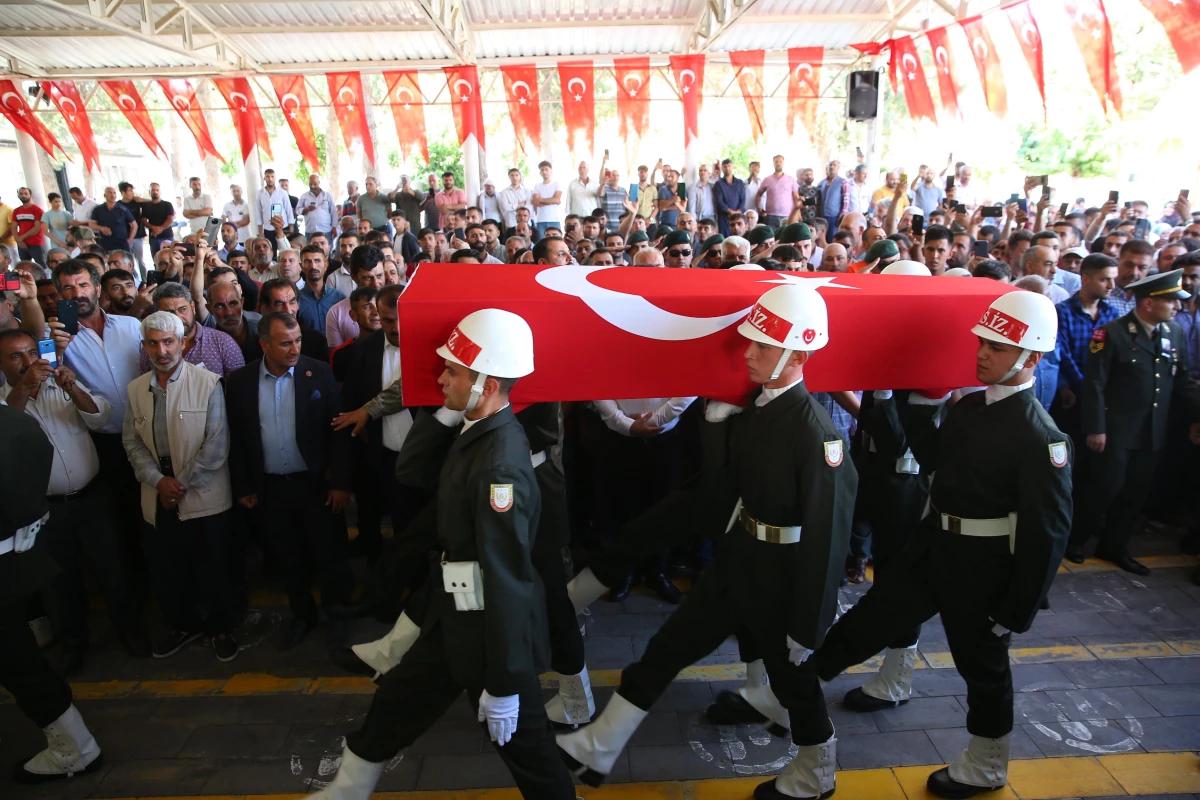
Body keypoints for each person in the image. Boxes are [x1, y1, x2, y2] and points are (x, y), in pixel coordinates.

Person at [559, 284, 854, 800]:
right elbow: (722, 493)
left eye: (763, 346)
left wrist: (811, 622)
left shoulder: (816, 433)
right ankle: (600, 744)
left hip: (782, 577)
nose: (750, 354)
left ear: (799, 353)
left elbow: (828, 539)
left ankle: (817, 771)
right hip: (740, 560)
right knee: (668, 646)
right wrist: (717, 425)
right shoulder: (759, 412)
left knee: (795, 682)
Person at [807, 289, 1069, 799]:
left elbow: (1048, 532)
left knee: (983, 666)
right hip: (937, 548)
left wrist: (1018, 607)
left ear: (1031, 357)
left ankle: (988, 764)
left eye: (998, 346)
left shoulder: (1042, 437)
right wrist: (883, 394)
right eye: (983, 341)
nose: (983, 353)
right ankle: (800, 687)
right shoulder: (971, 408)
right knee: (873, 617)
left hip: (984, 568)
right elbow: (931, 455)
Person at [310, 308, 577, 800]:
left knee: (528, 747)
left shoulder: (500, 464)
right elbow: (411, 470)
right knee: (397, 699)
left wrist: (501, 681)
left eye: (453, 371)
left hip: (483, 631)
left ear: (488, 384)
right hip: (452, 611)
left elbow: (508, 579)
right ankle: (350, 788)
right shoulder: (474, 431)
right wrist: (449, 409)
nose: (440, 378)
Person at [0, 329, 147, 675]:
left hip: (91, 498)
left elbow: (102, 416)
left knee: (112, 568)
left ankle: (129, 630)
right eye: (16, 356)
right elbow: (6, 435)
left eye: (31, 352)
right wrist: (22, 390)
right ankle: (73, 643)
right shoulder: (4, 402)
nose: (28, 361)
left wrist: (74, 388)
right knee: (59, 583)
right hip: (46, 509)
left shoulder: (60, 386)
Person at [226, 313, 353, 651]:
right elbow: (237, 440)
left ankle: (337, 614)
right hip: (271, 489)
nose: (295, 348)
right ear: (263, 344)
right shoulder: (239, 382)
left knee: (330, 555)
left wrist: (340, 482)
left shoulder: (318, 372)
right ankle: (303, 615)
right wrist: (244, 487)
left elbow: (338, 432)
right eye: (285, 343)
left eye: (297, 340)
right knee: (289, 558)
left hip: (316, 486)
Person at [122, 311, 237, 661]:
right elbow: (132, 442)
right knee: (169, 567)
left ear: (183, 343)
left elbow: (216, 446)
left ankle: (221, 628)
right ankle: (183, 625)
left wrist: (180, 485)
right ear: (145, 347)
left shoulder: (208, 382)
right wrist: (159, 482)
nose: (162, 350)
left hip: (200, 493)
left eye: (168, 341)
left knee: (213, 566)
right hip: (159, 494)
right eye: (154, 343)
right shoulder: (136, 389)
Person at [1071, 269, 1200, 574]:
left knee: (1135, 493)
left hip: (1152, 431)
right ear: (1149, 303)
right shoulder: (1111, 333)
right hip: (1115, 431)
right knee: (1104, 488)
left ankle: (1115, 546)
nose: (1178, 307)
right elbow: (1095, 384)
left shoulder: (1173, 333)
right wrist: (1096, 427)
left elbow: (1181, 380)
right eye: (1172, 301)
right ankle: (1074, 539)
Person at [2, 403, 105, 783]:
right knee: (19, 656)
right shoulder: (17, 421)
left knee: (18, 660)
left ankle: (73, 748)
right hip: (17, 555)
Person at [138, 281, 244, 378]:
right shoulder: (151, 349)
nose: (178, 317)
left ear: (192, 307)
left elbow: (236, 388)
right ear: (158, 313)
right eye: (169, 313)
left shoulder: (222, 342)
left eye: (182, 309)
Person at [298, 244, 346, 332]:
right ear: (301, 267)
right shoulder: (296, 300)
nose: (313, 266)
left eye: (317, 261)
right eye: (308, 261)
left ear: (326, 265)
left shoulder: (339, 298)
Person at [88, 187, 137, 254]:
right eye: (110, 192)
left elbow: (134, 225)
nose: (112, 195)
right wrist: (102, 228)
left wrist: (129, 240)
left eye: (114, 193)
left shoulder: (123, 209)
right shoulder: (98, 209)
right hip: (105, 244)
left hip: (122, 244)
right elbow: (91, 224)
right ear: (105, 195)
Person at [257, 169, 296, 238]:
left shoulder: (282, 193)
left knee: (284, 247)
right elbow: (259, 212)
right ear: (264, 178)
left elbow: (288, 210)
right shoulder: (260, 194)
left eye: (272, 176)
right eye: (268, 177)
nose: (270, 179)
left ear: (275, 178)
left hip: (283, 227)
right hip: (268, 228)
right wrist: (260, 232)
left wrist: (291, 228)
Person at [14, 187, 47, 265]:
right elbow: (13, 226)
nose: (23, 196)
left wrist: (21, 238)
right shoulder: (16, 211)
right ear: (18, 195)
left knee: (42, 266)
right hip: (21, 244)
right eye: (21, 194)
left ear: (30, 195)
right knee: (24, 266)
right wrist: (19, 240)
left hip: (36, 244)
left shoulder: (37, 210)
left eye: (26, 193)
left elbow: (37, 228)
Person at [816, 160, 847, 234]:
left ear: (838, 167)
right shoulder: (822, 182)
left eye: (834, 165)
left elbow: (846, 201)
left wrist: (842, 216)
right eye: (830, 165)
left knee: (832, 238)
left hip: (834, 216)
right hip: (822, 215)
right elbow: (818, 200)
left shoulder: (843, 182)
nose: (832, 167)